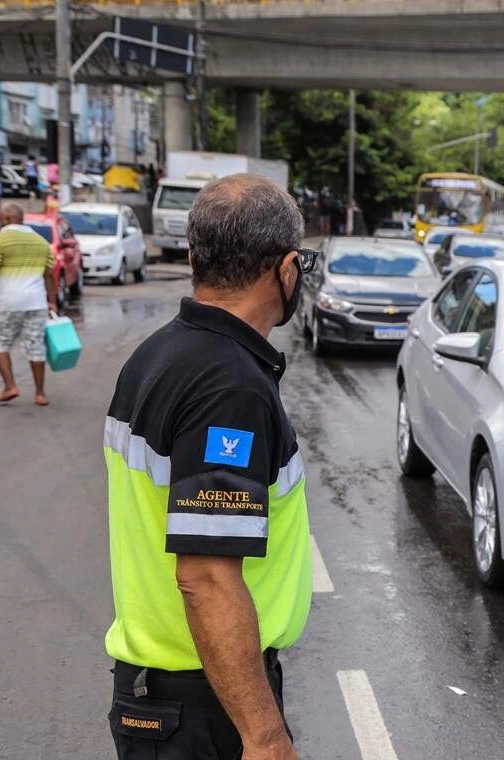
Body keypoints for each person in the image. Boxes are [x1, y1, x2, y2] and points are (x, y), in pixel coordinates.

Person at [104, 174, 314, 759]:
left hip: (167, 695)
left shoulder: (159, 353)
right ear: (287, 268)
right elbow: (207, 577)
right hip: (203, 703)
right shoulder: (229, 388)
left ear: (196, 255)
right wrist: (265, 736)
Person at [0, 202, 57, 406]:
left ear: (6, 219)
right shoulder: (41, 242)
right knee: (36, 346)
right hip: (36, 302)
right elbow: (49, 275)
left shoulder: (2, 239)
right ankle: (40, 393)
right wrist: (52, 302)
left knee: (1, 343)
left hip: (8, 302)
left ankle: (10, 386)